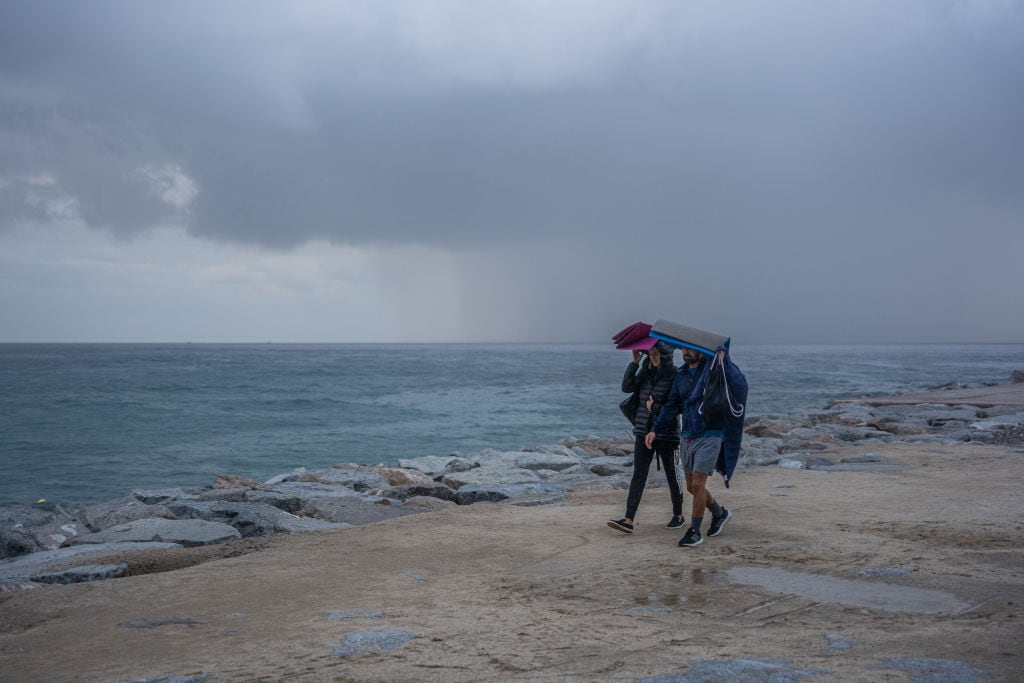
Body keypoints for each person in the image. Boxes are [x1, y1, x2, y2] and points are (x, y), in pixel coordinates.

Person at [646, 345, 747, 547]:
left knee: (699, 484)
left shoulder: (713, 370)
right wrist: (654, 429)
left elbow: (737, 380)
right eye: (683, 349)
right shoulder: (681, 375)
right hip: (687, 436)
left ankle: (695, 531)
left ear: (701, 351)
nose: (686, 352)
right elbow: (672, 405)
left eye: (690, 349)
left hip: (710, 435)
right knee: (693, 487)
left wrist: (723, 357)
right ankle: (720, 513)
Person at [607, 340, 685, 534]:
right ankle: (628, 519)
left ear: (665, 356)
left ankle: (678, 515)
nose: (653, 358)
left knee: (672, 475)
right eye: (650, 354)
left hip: (667, 433)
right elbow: (626, 387)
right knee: (638, 475)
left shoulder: (675, 375)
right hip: (643, 431)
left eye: (656, 354)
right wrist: (634, 362)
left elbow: (678, 406)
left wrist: (655, 407)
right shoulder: (646, 373)